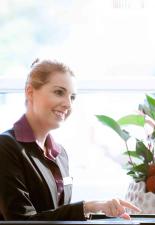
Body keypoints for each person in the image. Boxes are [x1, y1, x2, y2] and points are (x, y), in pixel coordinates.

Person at [0, 59, 140, 220]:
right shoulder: (6, 147)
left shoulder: (60, 154)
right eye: (59, 92)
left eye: (72, 97)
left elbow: (57, 216)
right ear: (30, 92)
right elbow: (19, 221)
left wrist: (102, 210)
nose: (68, 104)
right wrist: (87, 207)